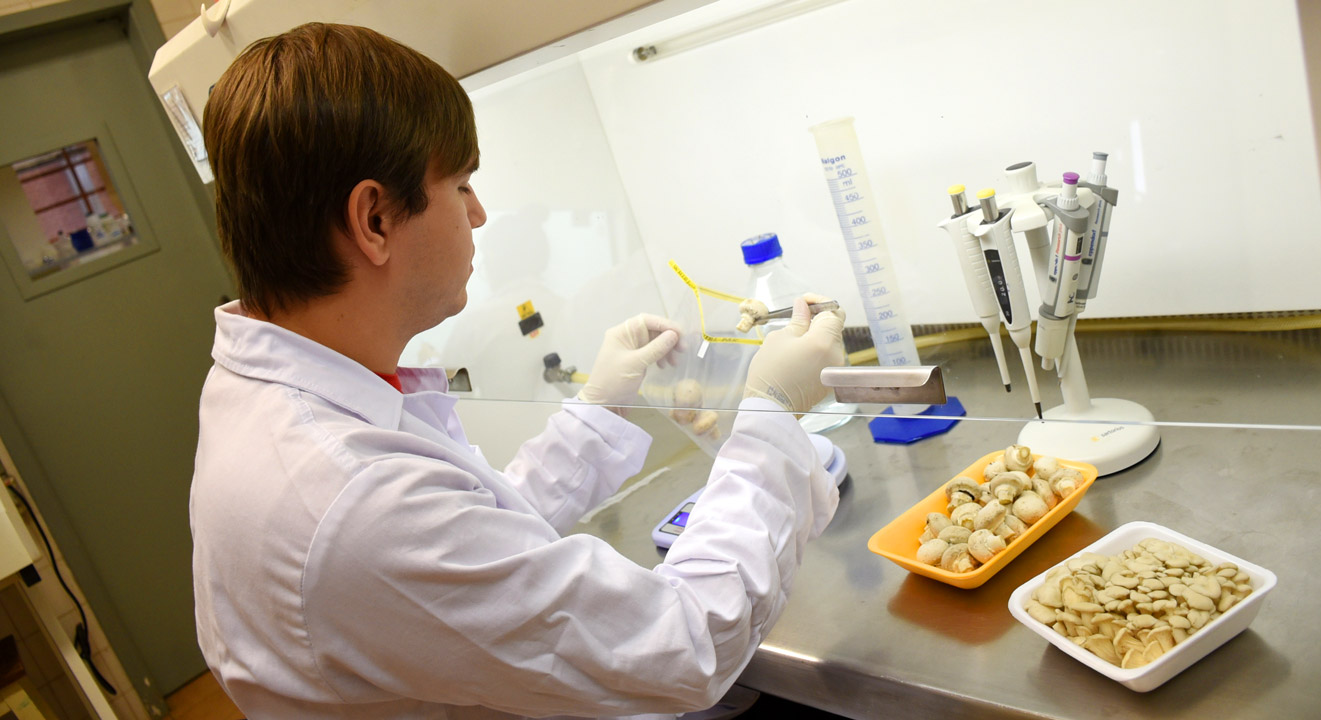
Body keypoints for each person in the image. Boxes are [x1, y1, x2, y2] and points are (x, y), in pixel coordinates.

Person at [191, 22, 846, 720]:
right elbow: (682, 644)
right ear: (375, 219)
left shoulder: (272, 396)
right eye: (462, 184)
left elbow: (465, 549)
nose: (477, 214)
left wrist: (596, 413)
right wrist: (772, 413)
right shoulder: (350, 499)